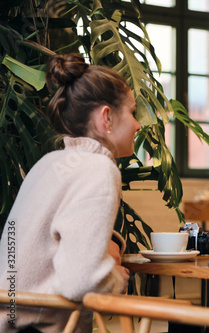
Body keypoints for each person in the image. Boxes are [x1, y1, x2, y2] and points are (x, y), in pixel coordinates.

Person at [0, 53, 140, 333]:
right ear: (107, 118)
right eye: (133, 112)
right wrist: (115, 279)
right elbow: (80, 281)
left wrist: (108, 242)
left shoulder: (48, 163)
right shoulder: (99, 169)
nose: (138, 125)